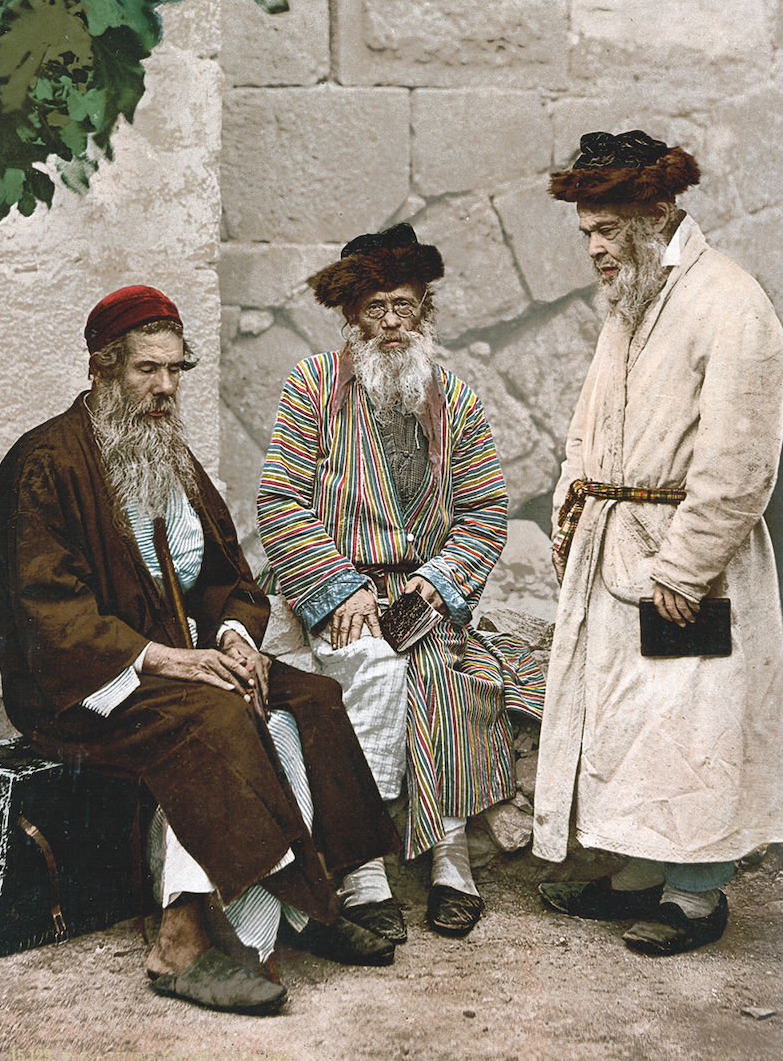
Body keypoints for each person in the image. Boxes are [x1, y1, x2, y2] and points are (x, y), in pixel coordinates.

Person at [0, 285, 401, 1015]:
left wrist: (235, 639)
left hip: (179, 668)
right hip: (82, 687)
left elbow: (224, 576)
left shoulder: (166, 454)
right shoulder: (42, 464)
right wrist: (171, 660)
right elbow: (47, 611)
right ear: (101, 368)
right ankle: (180, 939)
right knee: (212, 718)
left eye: (176, 370)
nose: (165, 388)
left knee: (307, 698)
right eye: (148, 369)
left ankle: (306, 910)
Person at [256, 224, 544, 942]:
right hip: (336, 589)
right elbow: (280, 500)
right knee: (366, 673)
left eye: (405, 306)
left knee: (449, 679)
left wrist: (439, 583)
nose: (391, 322)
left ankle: (452, 862)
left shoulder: (457, 402)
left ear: (426, 313)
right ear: (352, 316)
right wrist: (338, 585)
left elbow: (482, 509)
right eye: (377, 307)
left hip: (423, 596)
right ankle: (363, 869)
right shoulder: (313, 388)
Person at [533, 130, 783, 954]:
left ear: (658, 210)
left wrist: (687, 562)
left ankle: (697, 896)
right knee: (628, 720)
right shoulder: (634, 299)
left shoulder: (729, 300)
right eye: (587, 234)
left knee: (691, 725)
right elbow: (590, 424)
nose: (596, 248)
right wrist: (573, 509)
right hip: (614, 540)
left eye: (607, 230)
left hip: (687, 553)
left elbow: (741, 455)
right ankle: (640, 871)